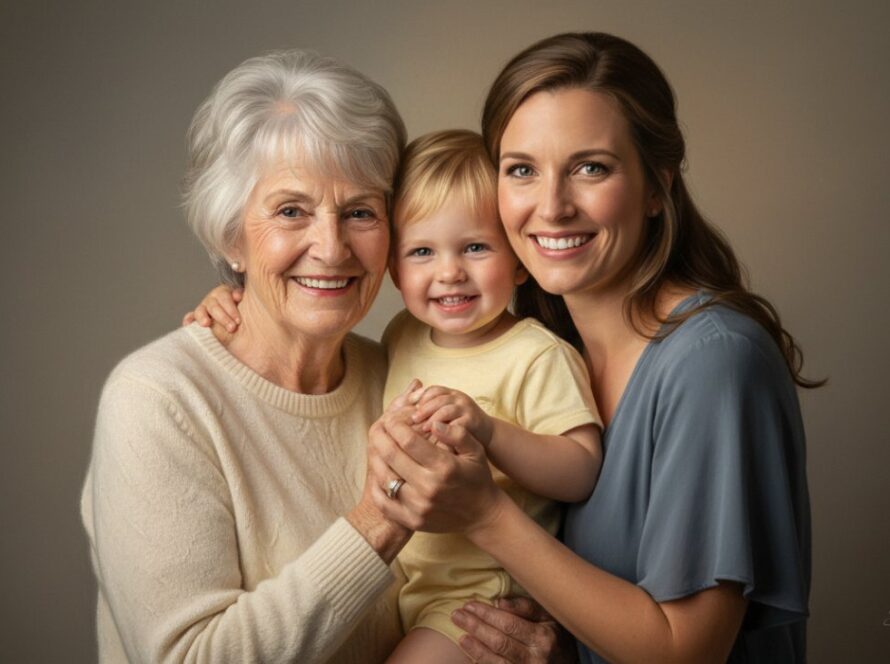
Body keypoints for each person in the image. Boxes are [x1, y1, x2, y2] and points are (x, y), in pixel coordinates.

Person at [365, 32, 813, 664]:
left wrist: (486, 513)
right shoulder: (550, 343)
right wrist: (237, 305)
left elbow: (683, 653)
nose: (551, 206)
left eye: (590, 168)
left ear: (658, 186)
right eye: (522, 169)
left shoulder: (713, 362)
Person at [189, 129, 603, 663]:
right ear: (393, 268)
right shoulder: (403, 336)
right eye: (422, 251)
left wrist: (491, 431)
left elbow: (581, 471)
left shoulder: (535, 355)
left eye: (476, 247)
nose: (449, 271)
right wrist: (234, 301)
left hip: (480, 602)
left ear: (520, 259)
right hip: (410, 595)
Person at [82, 49, 414, 663]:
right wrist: (381, 520)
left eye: (360, 211)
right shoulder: (158, 400)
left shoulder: (401, 374)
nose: (331, 246)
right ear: (231, 235)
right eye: (292, 210)